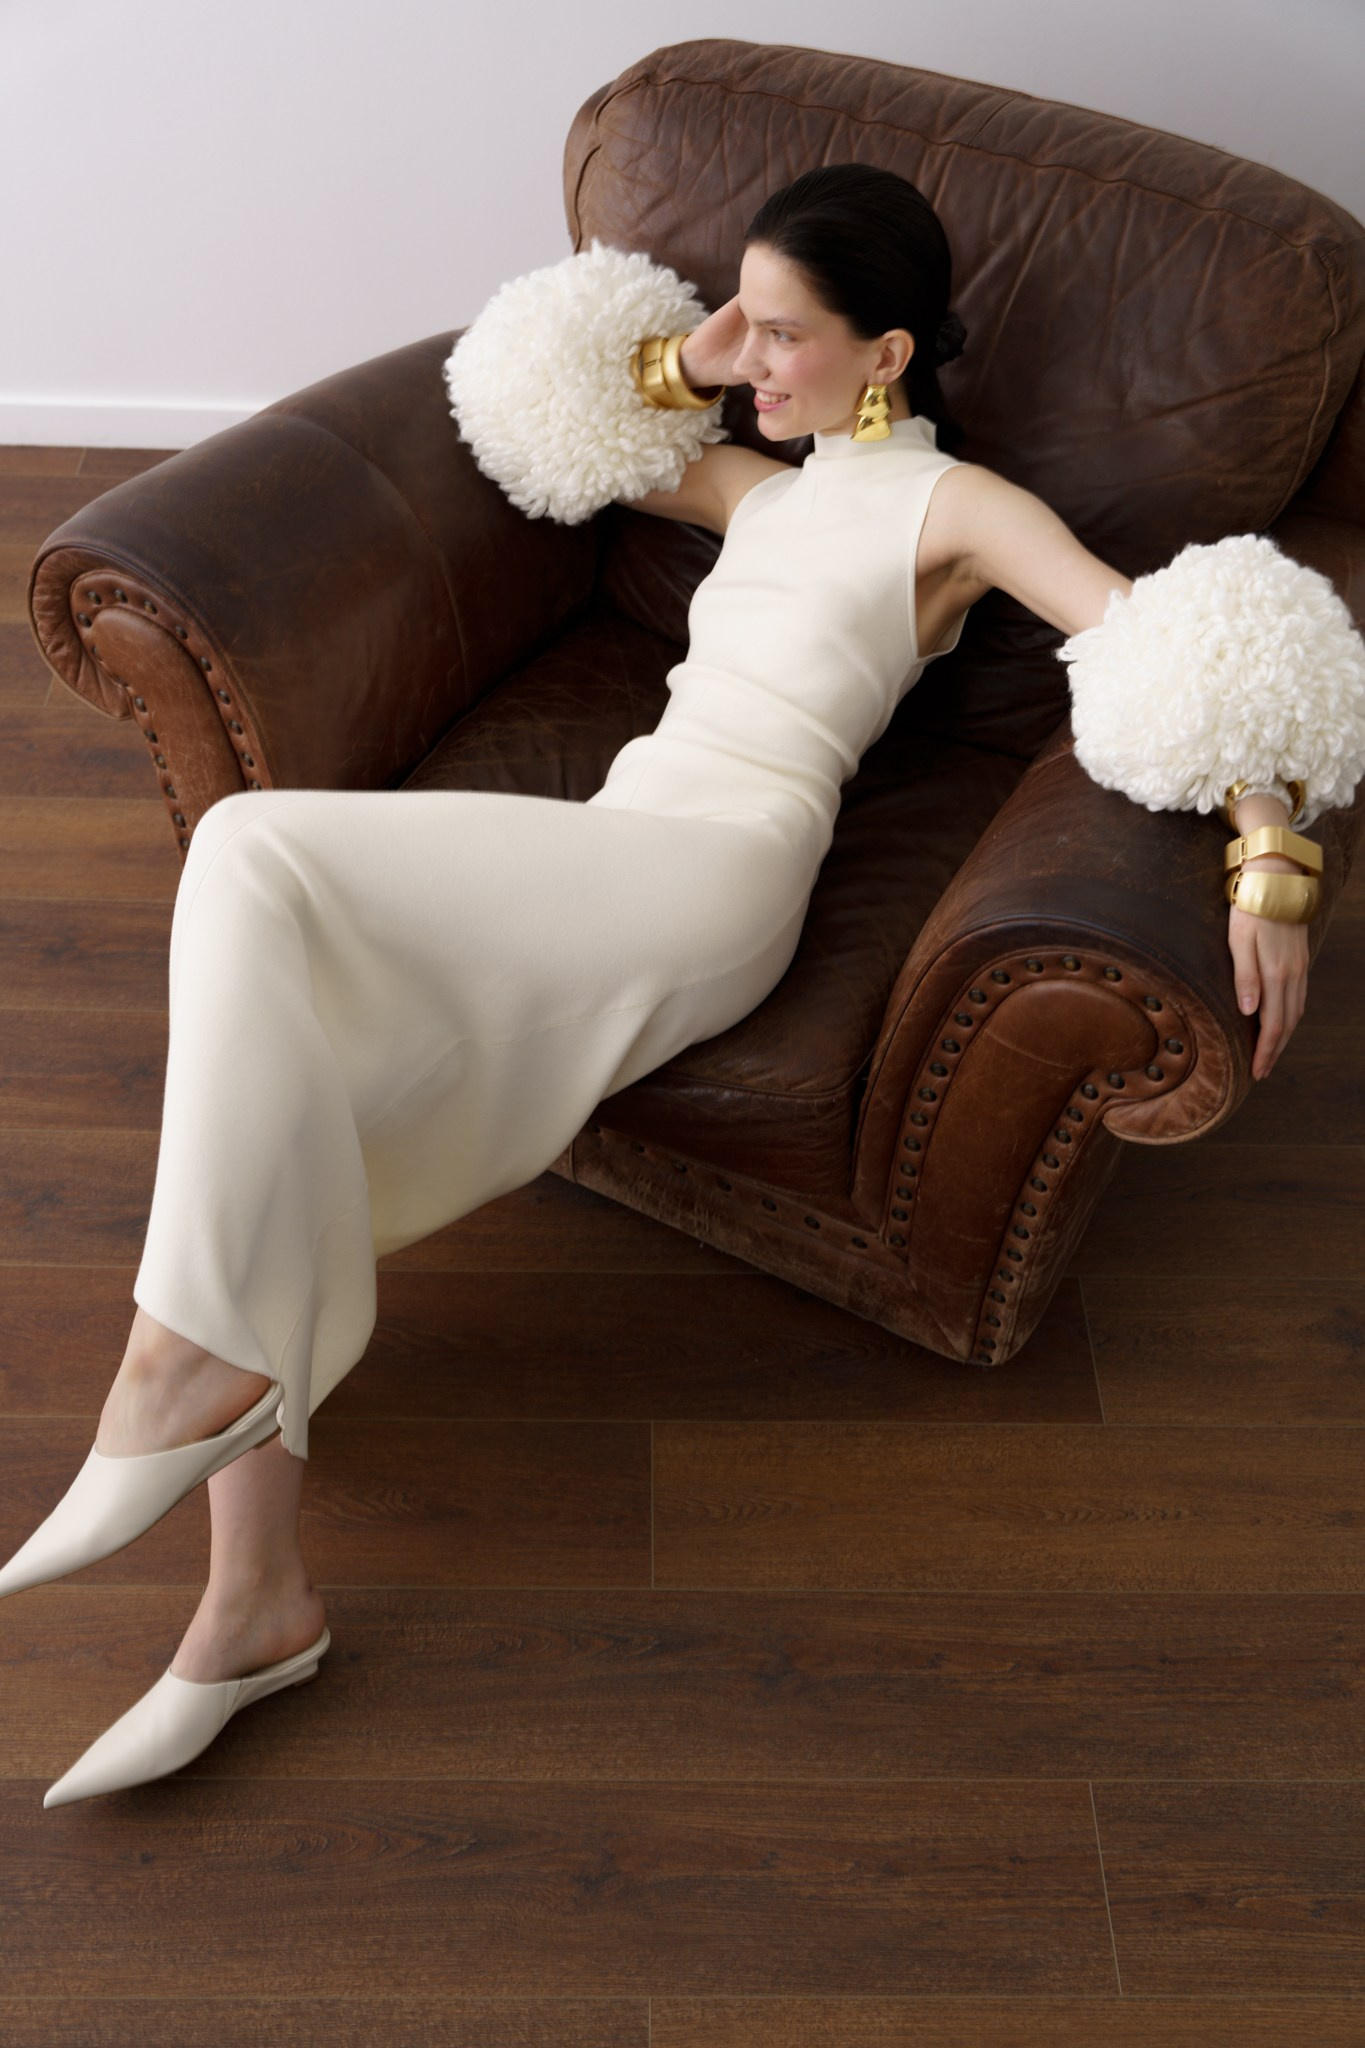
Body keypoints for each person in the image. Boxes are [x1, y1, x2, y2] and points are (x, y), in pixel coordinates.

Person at [9, 165, 1357, 1808]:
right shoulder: (760, 496)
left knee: (248, 854)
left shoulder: (956, 510)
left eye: (786, 333)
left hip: (722, 874)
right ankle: (252, 1610)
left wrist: (1269, 858)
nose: (750, 358)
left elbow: (1168, 647)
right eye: (739, 322)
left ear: (888, 353)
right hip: (618, 836)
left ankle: (173, 1372)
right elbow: (536, 411)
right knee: (308, 1111)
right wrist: (700, 355)